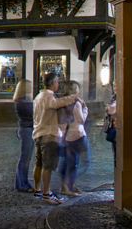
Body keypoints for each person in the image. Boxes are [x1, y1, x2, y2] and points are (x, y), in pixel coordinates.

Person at [32, 71, 77, 204]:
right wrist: (74, 97)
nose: (58, 84)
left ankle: (37, 189)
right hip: (49, 135)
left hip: (38, 134)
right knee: (48, 166)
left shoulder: (38, 97)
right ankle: (46, 193)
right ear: (53, 83)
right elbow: (57, 103)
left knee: (38, 163)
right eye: (57, 81)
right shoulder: (49, 97)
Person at [59, 80, 91, 196]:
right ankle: (68, 183)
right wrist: (85, 108)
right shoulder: (76, 103)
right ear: (74, 91)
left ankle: (69, 185)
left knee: (71, 162)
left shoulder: (62, 102)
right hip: (78, 135)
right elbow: (81, 120)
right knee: (85, 163)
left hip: (67, 136)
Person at [13, 80, 34, 192]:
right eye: (29, 86)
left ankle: (23, 182)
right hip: (26, 130)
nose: (31, 88)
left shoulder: (27, 100)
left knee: (26, 158)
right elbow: (32, 114)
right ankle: (21, 184)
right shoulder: (21, 102)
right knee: (24, 158)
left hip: (29, 129)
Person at [105, 95, 117, 167]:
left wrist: (108, 109)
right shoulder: (113, 98)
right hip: (114, 127)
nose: (115, 88)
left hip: (116, 128)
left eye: (116, 86)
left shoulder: (117, 99)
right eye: (114, 86)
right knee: (115, 152)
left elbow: (111, 111)